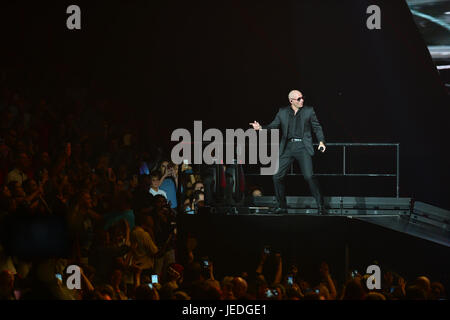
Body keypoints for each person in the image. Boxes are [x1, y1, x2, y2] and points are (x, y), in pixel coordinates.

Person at [249, 90, 327, 214]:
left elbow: (317, 127)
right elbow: (273, 126)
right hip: (288, 147)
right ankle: (282, 206)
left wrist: (321, 141)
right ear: (291, 101)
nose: (302, 100)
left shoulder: (308, 111)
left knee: (309, 176)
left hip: (303, 146)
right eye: (299, 99)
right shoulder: (283, 112)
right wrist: (261, 128)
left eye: (302, 98)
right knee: (276, 176)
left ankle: (320, 206)